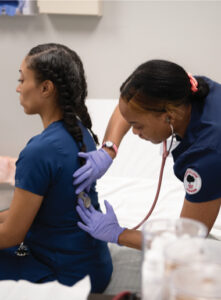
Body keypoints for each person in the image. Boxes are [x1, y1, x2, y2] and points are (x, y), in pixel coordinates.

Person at [0, 43, 113, 292]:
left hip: (66, 276)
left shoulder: (39, 151)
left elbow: (11, 235)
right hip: (96, 267)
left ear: (46, 88)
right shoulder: (80, 132)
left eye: (22, 79)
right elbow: (21, 213)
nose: (18, 88)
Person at [74, 59, 221, 250]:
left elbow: (186, 243)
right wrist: (109, 149)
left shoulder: (206, 156)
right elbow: (127, 107)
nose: (134, 132)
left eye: (138, 125)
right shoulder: (187, 91)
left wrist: (119, 234)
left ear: (168, 116)